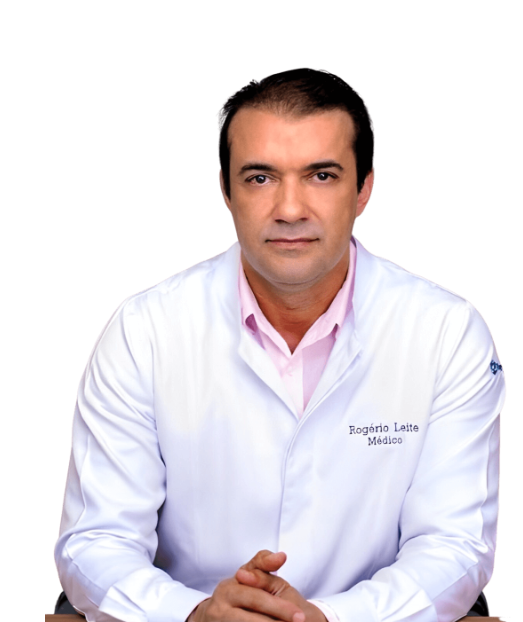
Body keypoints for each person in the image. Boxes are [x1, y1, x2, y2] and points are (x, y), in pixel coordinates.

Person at [55, 69, 505, 622]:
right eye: (260, 177)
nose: (290, 209)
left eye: (322, 175)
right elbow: (96, 540)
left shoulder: (446, 334)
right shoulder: (144, 332)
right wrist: (194, 614)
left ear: (363, 188)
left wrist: (329, 619)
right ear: (226, 190)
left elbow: (455, 545)